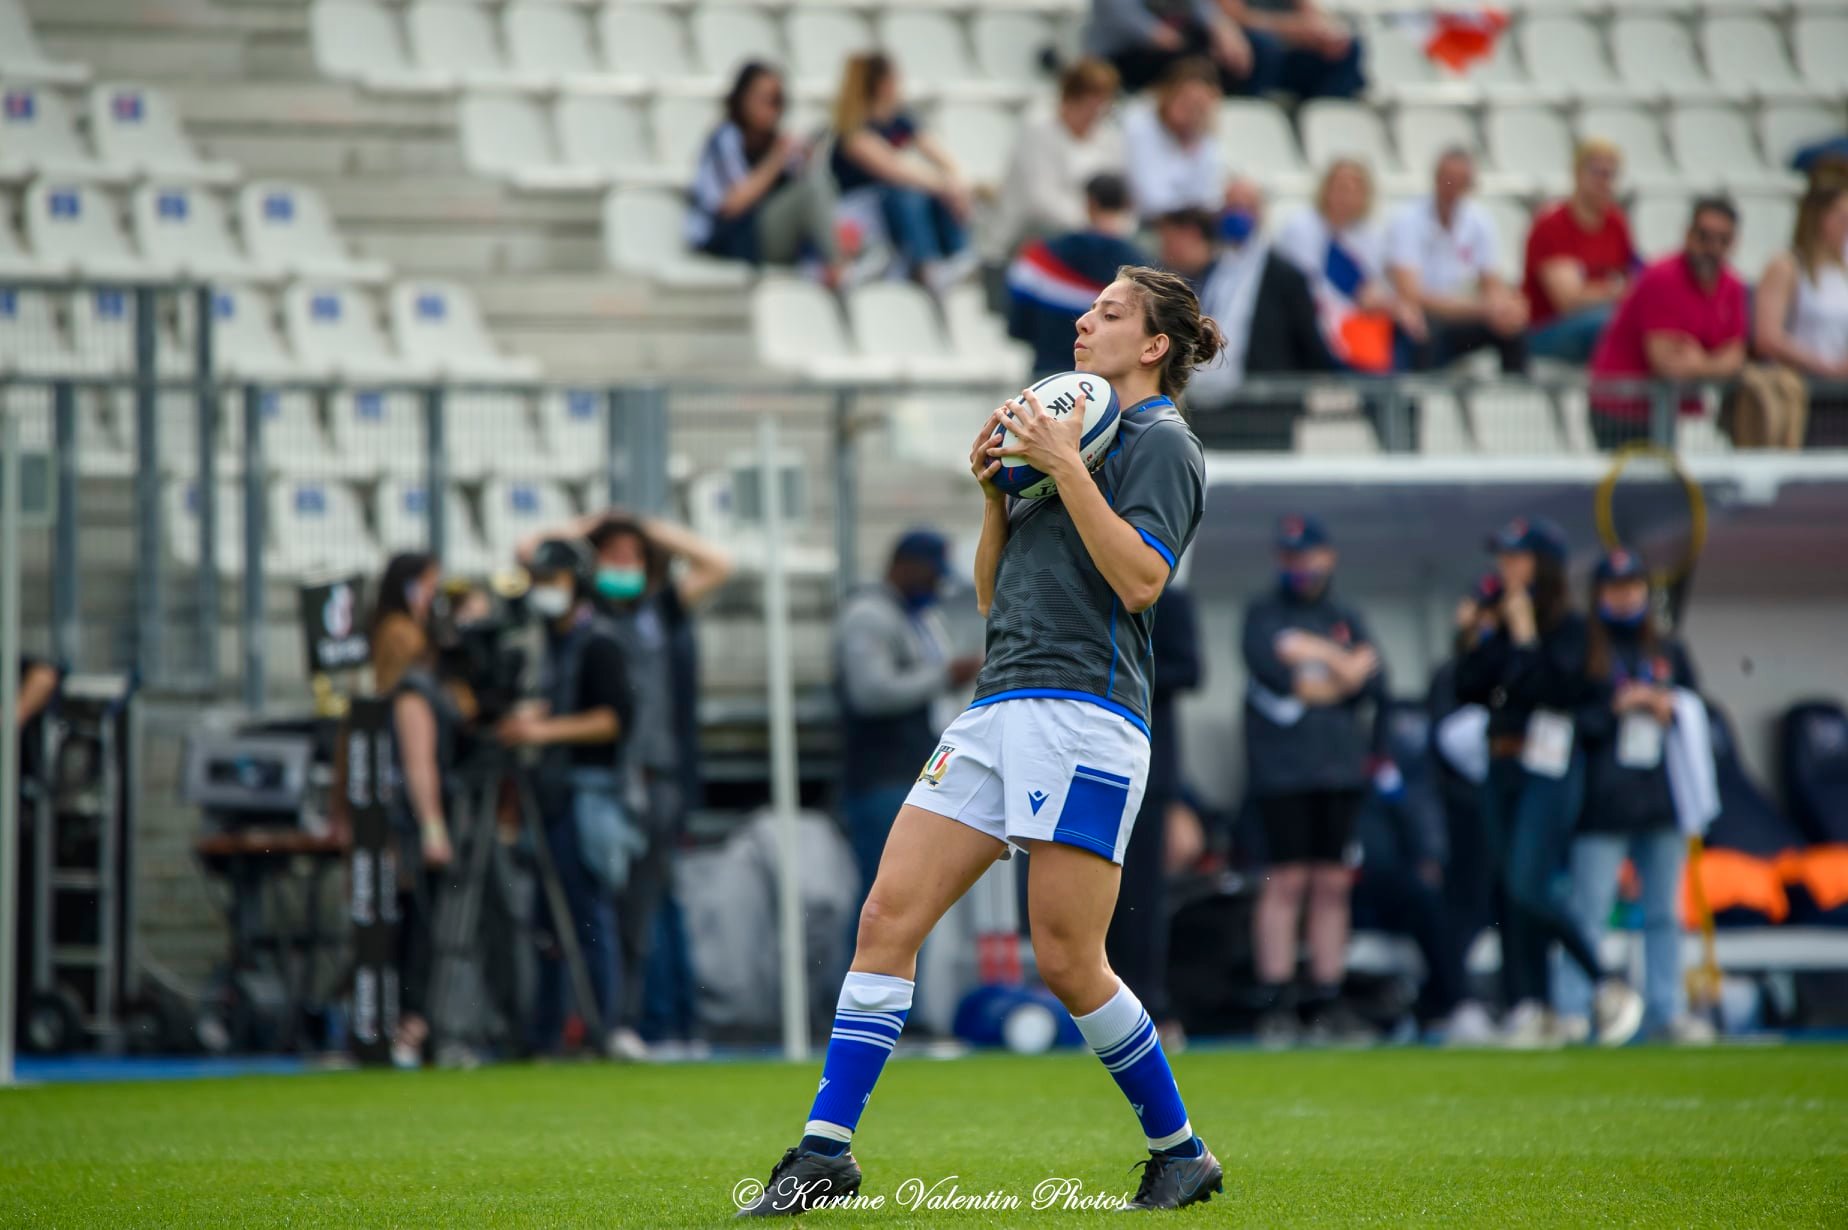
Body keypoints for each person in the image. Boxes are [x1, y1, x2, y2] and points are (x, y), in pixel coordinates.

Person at [736, 265, 1225, 1214]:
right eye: (1090, 310)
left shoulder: (1163, 441)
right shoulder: (1068, 427)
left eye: (1110, 313)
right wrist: (999, 495)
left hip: (1088, 715)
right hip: (998, 706)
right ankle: (825, 1153)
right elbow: (992, 597)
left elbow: (1139, 581)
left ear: (1155, 346)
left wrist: (1064, 467)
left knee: (1067, 959)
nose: (1085, 322)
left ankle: (1181, 1151)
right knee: (887, 920)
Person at [520, 510, 733, 1059]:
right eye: (610, 555)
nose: (622, 565)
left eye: (632, 556)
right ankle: (594, 1022)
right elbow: (527, 551)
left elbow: (719, 564)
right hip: (594, 778)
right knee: (593, 910)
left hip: (651, 778)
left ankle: (631, 1022)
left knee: (639, 908)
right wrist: (592, 526)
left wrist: (640, 524)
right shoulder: (576, 615)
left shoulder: (656, 611)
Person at [1454, 518, 1643, 1049]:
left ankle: (1606, 984)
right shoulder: (1504, 617)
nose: (1506, 568)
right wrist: (1470, 635)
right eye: (1504, 558)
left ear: (1544, 565)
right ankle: (1532, 1005)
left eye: (1518, 558)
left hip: (1551, 767)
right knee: (1512, 891)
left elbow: (1558, 690)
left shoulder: (1571, 629)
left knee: (1528, 881)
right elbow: (1468, 685)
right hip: (1503, 763)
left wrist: (1524, 637)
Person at [1555, 550, 1711, 1045]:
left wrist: (1668, 705)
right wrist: (1615, 706)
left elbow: (1700, 716)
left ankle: (1667, 1011)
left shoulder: (1667, 650)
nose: (1624, 597)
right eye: (1614, 588)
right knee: (1588, 911)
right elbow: (1569, 722)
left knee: (1665, 912)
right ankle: (1574, 1010)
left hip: (1660, 799)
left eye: (1632, 587)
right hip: (1603, 802)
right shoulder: (1585, 651)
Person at [1240, 515, 1386, 1044]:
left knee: (1332, 884)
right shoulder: (1263, 614)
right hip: (1283, 775)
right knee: (1287, 883)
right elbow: (1287, 682)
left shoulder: (1346, 615)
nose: (1299, 567)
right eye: (1289, 557)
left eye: (1307, 556)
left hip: (1340, 772)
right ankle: (1276, 1001)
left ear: (1328, 556)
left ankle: (1327, 1000)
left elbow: (1371, 682)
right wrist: (1336, 666)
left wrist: (1314, 654)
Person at [498, 538, 635, 1059]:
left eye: (554, 579)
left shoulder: (598, 642)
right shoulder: (554, 642)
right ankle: (548, 1031)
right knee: (550, 920)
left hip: (589, 794)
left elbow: (612, 720)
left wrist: (543, 730)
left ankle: (604, 1026)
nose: (544, 591)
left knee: (587, 914)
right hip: (557, 793)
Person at [834, 531, 985, 924]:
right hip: (881, 779)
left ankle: (904, 986)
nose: (936, 585)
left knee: (912, 901)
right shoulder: (870, 614)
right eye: (930, 574)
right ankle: (864, 985)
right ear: (904, 567)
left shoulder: (916, 617)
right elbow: (869, 692)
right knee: (885, 901)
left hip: (913, 773)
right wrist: (944, 676)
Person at [1171, 187, 1342, 448]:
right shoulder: (1213, 269)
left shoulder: (1285, 274)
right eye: (1231, 207)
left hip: (1261, 408)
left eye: (1245, 206)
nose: (1237, 215)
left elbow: (1308, 338)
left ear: (1260, 213)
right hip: (1206, 409)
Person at [1106, 582, 1201, 1046]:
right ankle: (1102, 1009)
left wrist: (1117, 667)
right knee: (1093, 890)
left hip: (1148, 762)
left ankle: (1149, 1005)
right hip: (1091, 759)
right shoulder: (1087, 583)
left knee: (1143, 892)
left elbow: (1190, 669)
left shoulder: (1170, 597)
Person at [1589, 197, 1747, 450]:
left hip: (1668, 411)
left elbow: (1737, 357)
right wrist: (1715, 364)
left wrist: (1700, 363)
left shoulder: (1733, 286)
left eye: (1723, 239)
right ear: (1687, 234)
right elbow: (1666, 363)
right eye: (1704, 236)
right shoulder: (1663, 277)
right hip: (1621, 411)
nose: (1712, 247)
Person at [383, 589, 458, 1068]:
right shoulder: (414, 690)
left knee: (419, 928)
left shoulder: (432, 688)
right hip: (413, 828)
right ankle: (408, 1026)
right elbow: (419, 765)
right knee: (417, 927)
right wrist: (432, 827)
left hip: (416, 824)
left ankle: (413, 1026)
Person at [829, 52, 976, 294]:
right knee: (911, 193)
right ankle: (927, 265)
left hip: (889, 204)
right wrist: (946, 185)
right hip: (864, 211)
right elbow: (893, 169)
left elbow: (943, 158)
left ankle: (959, 255)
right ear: (882, 84)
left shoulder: (901, 119)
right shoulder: (853, 131)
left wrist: (956, 182)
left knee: (934, 190)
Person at [1386, 147, 1528, 374]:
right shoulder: (1407, 220)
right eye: (1448, 179)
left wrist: (1502, 308)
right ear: (1436, 179)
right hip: (1425, 317)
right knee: (1421, 330)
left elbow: (1491, 282)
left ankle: (1518, 395)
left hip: (1462, 315)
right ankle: (1419, 404)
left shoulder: (1480, 221)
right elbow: (1410, 293)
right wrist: (1480, 308)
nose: (1452, 187)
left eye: (1460, 181)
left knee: (1511, 329)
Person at [686, 62, 831, 270]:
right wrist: (777, 159)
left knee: (820, 182)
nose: (772, 108)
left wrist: (805, 161)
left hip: (762, 239)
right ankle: (841, 267)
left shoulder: (776, 142)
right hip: (728, 240)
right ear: (742, 99)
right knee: (813, 189)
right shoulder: (725, 138)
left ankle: (837, 262)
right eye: (765, 99)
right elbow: (730, 205)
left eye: (777, 101)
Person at [1274, 158, 1410, 373]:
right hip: (1317, 326)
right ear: (1327, 189)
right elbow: (1306, 287)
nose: (1348, 195)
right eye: (1342, 187)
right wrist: (1360, 298)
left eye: (1357, 188)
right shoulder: (1301, 228)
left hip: (1360, 328)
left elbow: (1378, 285)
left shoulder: (1370, 234)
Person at [1006, 173, 1148, 377]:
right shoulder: (1146, 270)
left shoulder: (1039, 258)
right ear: (1128, 205)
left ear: (1089, 203)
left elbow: (1017, 327)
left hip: (1049, 379)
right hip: (1111, 383)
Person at [993, 58, 1127, 258]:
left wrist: (1116, 223)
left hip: (1094, 235)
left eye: (1103, 100)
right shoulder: (1037, 129)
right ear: (1070, 97)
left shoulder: (1109, 136)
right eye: (1089, 100)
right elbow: (1040, 200)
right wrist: (1091, 223)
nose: (1096, 109)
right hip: (1033, 236)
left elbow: (1118, 190)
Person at [1522, 139, 1638, 364]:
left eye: (1611, 174)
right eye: (1597, 172)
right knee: (1609, 324)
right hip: (1547, 330)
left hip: (1594, 323)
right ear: (1577, 173)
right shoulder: (1552, 225)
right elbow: (1568, 301)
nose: (1604, 181)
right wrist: (1618, 290)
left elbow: (1633, 280)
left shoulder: (1617, 223)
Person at [1753, 180, 1848, 447]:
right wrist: (1825, 367)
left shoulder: (1843, 269)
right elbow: (1768, 337)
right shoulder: (1788, 266)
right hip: (1803, 396)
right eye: (1840, 217)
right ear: (1818, 217)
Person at [1087, 0, 1262, 96]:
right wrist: (1163, 35)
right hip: (1124, 54)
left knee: (1251, 50)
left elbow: (1203, 9)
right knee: (1194, 58)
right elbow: (1127, 19)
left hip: (1176, 46)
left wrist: (1224, 31)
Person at [1122, 58, 1225, 220]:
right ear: (1168, 94)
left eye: (1199, 106)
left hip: (1190, 228)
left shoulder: (1204, 137)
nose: (1192, 112)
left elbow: (1210, 199)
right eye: (1186, 102)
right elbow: (1150, 201)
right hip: (1143, 225)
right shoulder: (1139, 125)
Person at [1217, 0, 1365, 101]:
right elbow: (1235, 16)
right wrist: (1291, 28)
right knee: (1265, 47)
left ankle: (1324, 118)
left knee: (1347, 48)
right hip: (1250, 51)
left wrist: (1323, 33)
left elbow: (1311, 15)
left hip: (1286, 50)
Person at [370, 552, 441, 695]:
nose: (432, 593)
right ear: (407, 586)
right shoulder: (397, 628)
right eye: (427, 585)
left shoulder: (411, 624)